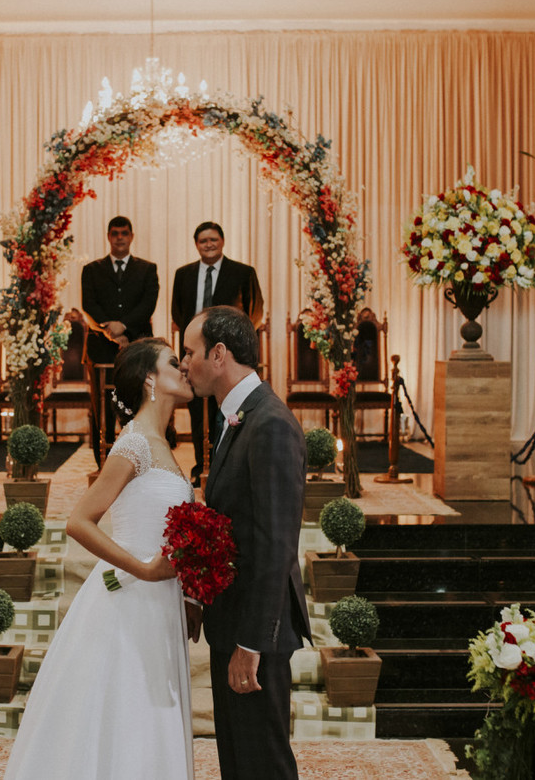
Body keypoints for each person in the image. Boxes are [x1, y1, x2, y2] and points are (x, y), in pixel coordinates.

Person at [4, 337, 196, 780]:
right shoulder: (134, 444)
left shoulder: (162, 443)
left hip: (161, 600)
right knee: (127, 706)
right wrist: (145, 569)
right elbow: (79, 522)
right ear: (149, 379)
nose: (184, 367)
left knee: (146, 713)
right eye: (174, 362)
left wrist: (188, 595)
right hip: (130, 597)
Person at [179, 305, 310, 780]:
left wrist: (252, 643)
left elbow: (277, 545)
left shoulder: (269, 422)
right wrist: (199, 595)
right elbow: (229, 526)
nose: (184, 364)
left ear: (218, 354)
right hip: (232, 620)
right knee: (238, 763)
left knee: (264, 765)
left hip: (257, 633)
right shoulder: (237, 416)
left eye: (189, 352)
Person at [171, 221, 264, 487]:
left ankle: (225, 466)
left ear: (222, 241)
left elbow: (255, 312)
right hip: (195, 357)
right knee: (197, 410)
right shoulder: (183, 274)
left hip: (228, 358)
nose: (209, 244)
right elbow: (178, 312)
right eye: (203, 240)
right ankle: (200, 465)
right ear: (196, 244)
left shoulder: (243, 273)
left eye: (213, 239)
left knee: (227, 409)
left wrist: (235, 343)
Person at [81, 216, 160, 465]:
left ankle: (138, 462)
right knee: (102, 411)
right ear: (108, 237)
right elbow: (89, 304)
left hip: (137, 349)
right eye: (115, 233)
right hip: (101, 349)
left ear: (132, 236)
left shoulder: (147, 269)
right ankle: (103, 464)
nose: (119, 238)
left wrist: (124, 326)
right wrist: (110, 329)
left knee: (137, 406)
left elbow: (148, 304)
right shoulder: (91, 270)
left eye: (124, 233)